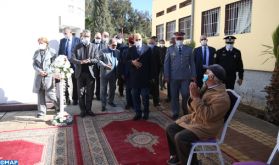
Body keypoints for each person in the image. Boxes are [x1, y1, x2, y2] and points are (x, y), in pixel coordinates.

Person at [166, 64, 231, 165]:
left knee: (181, 137)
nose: (204, 75)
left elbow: (207, 116)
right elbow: (192, 109)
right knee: (170, 128)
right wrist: (193, 96)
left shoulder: (222, 98)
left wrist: (196, 98)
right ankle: (178, 156)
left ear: (212, 77)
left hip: (207, 126)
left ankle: (192, 163)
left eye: (207, 73)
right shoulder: (207, 87)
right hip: (197, 120)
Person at [164, 32, 196, 120]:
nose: (179, 40)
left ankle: (185, 108)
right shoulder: (170, 49)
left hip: (185, 77)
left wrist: (193, 75)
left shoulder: (189, 49)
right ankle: (175, 112)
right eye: (178, 39)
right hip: (173, 77)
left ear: (183, 39)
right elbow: (166, 63)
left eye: (181, 39)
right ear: (175, 39)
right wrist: (166, 76)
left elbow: (192, 63)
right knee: (174, 96)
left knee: (185, 94)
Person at [71, 30, 98, 117]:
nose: (86, 38)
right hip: (80, 73)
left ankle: (89, 110)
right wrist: (80, 62)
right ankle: (83, 110)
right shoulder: (77, 47)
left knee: (90, 93)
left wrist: (90, 60)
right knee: (81, 93)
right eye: (84, 36)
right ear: (82, 37)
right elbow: (72, 59)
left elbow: (97, 59)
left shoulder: (94, 47)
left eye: (87, 36)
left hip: (90, 74)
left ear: (90, 37)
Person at [127, 33, 154, 120]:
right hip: (134, 78)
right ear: (133, 40)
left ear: (142, 39)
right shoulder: (131, 49)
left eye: (139, 39)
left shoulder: (148, 49)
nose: (138, 41)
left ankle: (146, 113)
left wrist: (151, 77)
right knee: (135, 96)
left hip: (145, 77)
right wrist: (132, 62)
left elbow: (152, 63)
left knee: (145, 96)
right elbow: (126, 61)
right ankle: (138, 113)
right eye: (136, 40)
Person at [32, 37, 59, 118]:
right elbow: (34, 64)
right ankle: (41, 112)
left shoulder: (52, 52)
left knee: (51, 94)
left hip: (48, 75)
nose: (40, 45)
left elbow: (54, 64)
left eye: (42, 43)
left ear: (46, 43)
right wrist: (40, 71)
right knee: (40, 94)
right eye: (39, 43)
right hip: (39, 76)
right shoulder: (36, 52)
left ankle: (59, 107)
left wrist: (47, 71)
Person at [58, 27, 81, 105]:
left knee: (75, 82)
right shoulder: (62, 41)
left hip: (74, 64)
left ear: (70, 32)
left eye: (65, 33)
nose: (64, 35)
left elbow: (80, 52)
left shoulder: (77, 40)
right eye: (63, 33)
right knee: (66, 82)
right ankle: (67, 99)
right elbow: (60, 52)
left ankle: (75, 99)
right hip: (65, 65)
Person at [98, 38, 120, 111]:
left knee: (112, 89)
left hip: (114, 74)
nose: (115, 47)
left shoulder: (117, 52)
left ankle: (111, 101)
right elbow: (98, 61)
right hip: (105, 74)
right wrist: (105, 65)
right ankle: (103, 105)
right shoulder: (102, 51)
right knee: (103, 90)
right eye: (113, 45)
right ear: (109, 44)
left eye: (116, 45)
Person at [119, 35, 134, 110]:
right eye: (131, 41)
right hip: (127, 73)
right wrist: (122, 73)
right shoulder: (125, 50)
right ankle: (128, 103)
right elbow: (122, 62)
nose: (132, 43)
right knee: (128, 90)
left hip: (136, 74)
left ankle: (134, 103)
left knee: (134, 90)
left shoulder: (139, 50)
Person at [92, 32, 106, 100]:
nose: (98, 39)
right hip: (92, 65)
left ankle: (98, 95)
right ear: (94, 37)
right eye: (97, 38)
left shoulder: (103, 45)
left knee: (99, 81)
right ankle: (91, 95)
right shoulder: (91, 44)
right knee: (92, 81)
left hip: (100, 66)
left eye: (99, 38)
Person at [148, 36, 161, 107]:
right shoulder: (145, 49)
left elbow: (159, 62)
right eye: (150, 42)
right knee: (147, 87)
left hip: (155, 72)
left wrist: (157, 72)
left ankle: (156, 102)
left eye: (152, 42)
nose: (151, 43)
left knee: (155, 87)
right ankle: (147, 100)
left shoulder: (157, 49)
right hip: (146, 72)